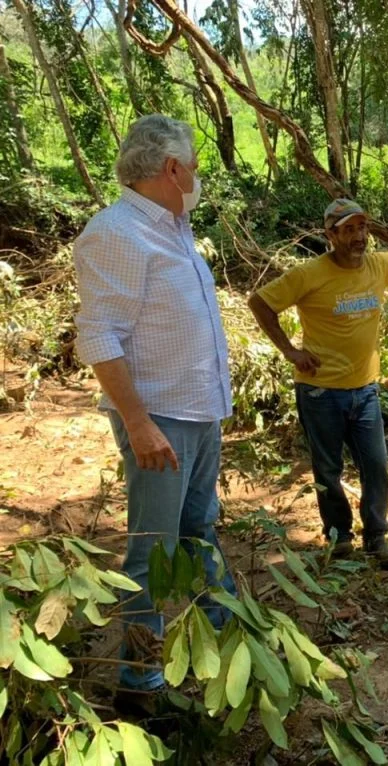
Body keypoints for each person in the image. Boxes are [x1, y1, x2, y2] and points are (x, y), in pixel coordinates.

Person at [73, 114, 238, 698]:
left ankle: (227, 634)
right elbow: (98, 336)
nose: (196, 178)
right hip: (160, 421)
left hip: (198, 412)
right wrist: (138, 424)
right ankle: (138, 682)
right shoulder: (116, 232)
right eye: (192, 168)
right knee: (152, 551)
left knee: (200, 530)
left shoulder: (174, 226)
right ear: (172, 169)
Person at [248, 198, 388, 567]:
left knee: (376, 468)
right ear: (331, 234)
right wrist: (290, 351)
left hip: (365, 390)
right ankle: (339, 538)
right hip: (320, 391)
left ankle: (376, 538)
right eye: (349, 229)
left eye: (362, 228)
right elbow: (259, 302)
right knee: (328, 470)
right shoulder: (309, 274)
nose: (358, 237)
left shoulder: (377, 265)